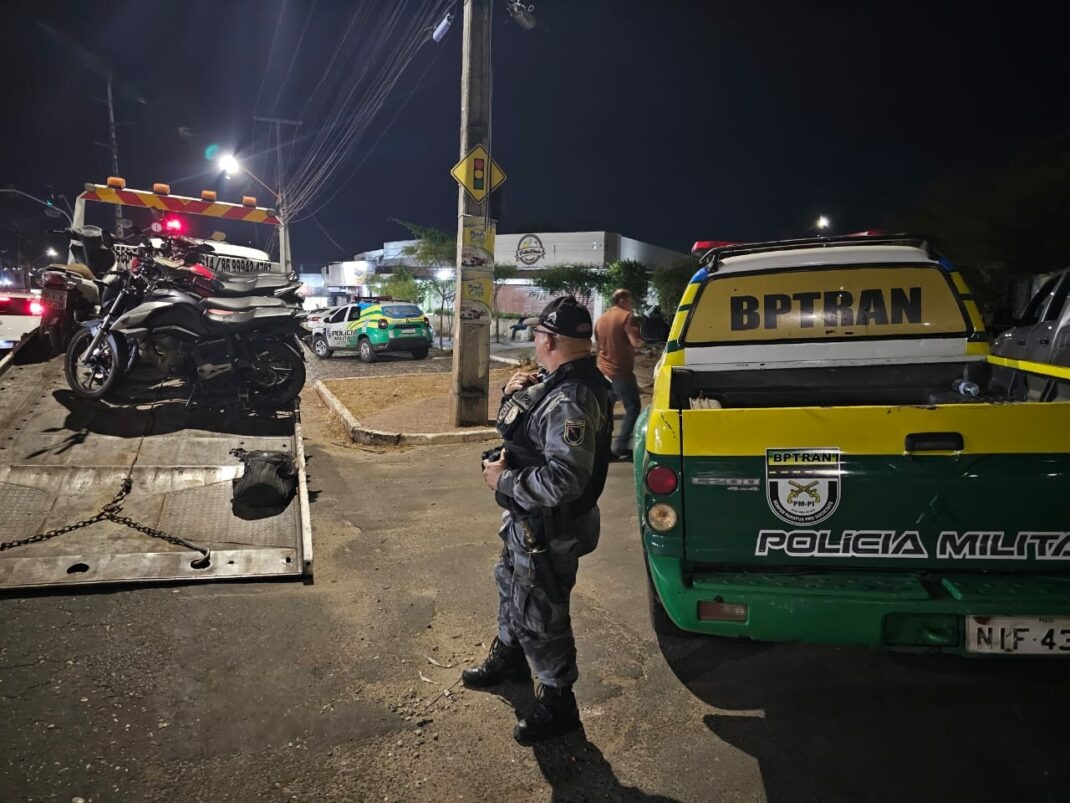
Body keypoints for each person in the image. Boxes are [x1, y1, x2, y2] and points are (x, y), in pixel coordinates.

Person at [465, 295, 612, 745]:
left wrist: (503, 481)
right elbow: (527, 426)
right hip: (531, 524)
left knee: (543, 611)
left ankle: (558, 701)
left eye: (537, 333)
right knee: (513, 584)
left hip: (552, 527)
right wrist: (516, 391)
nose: (533, 339)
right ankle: (510, 657)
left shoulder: (572, 396)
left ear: (549, 339)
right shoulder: (561, 381)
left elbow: (565, 479)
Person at [594, 288, 644, 461]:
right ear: (622, 300)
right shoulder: (626, 317)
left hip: (603, 372)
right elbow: (635, 342)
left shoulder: (601, 319)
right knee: (633, 408)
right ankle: (621, 446)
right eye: (629, 300)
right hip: (621, 373)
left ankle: (602, 449)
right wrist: (647, 344)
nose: (631, 304)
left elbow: (601, 345)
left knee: (605, 414)